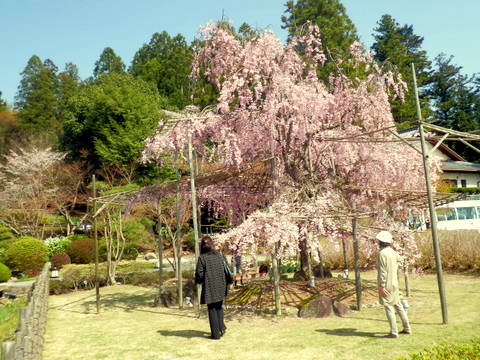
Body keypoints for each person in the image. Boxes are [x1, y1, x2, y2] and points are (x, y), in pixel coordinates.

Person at [376, 230, 412, 338]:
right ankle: (407, 328)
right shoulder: (392, 251)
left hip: (386, 283)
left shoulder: (382, 253)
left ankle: (394, 332)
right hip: (394, 282)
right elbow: (401, 261)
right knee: (398, 305)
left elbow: (383, 271)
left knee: (388, 307)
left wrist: (382, 285)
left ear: (380, 241)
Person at [195, 236, 228, 340]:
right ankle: (221, 328)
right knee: (219, 307)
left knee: (212, 309)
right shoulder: (220, 255)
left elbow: (199, 274)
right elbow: (225, 268)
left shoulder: (202, 258)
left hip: (209, 286)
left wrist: (199, 281)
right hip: (221, 285)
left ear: (202, 246)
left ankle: (215, 334)